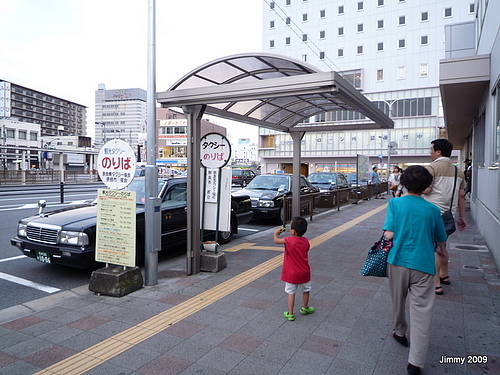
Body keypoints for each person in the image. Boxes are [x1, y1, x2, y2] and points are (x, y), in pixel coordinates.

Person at [383, 165, 447, 375]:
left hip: (398, 262)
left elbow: (388, 235)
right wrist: (443, 253)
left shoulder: (395, 203)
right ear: (427, 186)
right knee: (422, 313)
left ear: (403, 183)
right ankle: (415, 363)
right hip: (423, 266)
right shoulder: (432, 210)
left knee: (397, 301)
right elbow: (440, 238)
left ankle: (400, 332)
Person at [423, 139, 467, 295]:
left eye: (431, 149)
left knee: (433, 250)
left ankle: (436, 284)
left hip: (432, 214)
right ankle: (445, 275)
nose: (430, 152)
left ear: (438, 152)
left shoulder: (432, 168)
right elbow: (461, 196)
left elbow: (426, 190)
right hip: (449, 215)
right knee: (442, 246)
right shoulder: (458, 171)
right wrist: (462, 218)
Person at [274, 216, 314, 321]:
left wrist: (276, 233)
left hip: (291, 273)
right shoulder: (306, 241)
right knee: (306, 290)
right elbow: (307, 249)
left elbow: (276, 241)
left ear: (292, 231)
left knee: (291, 292)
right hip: (304, 272)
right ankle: (305, 308)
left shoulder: (288, 240)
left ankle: (290, 313)